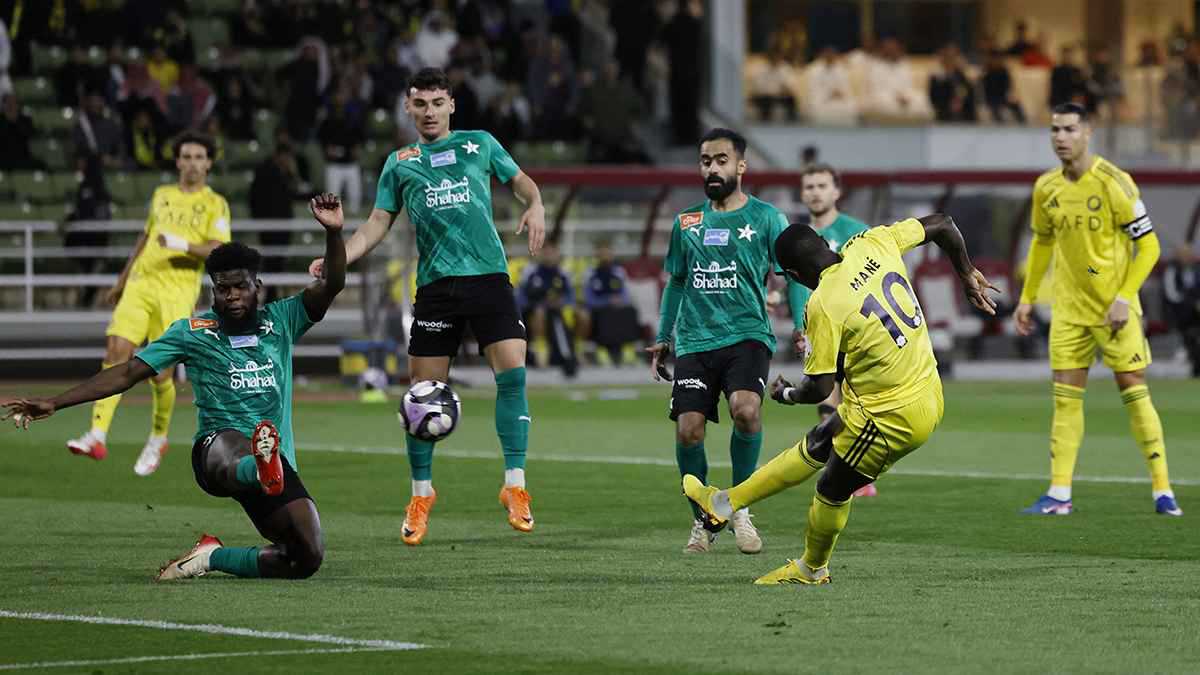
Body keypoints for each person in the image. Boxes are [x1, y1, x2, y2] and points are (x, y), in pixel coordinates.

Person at [3, 194, 347, 581]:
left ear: (258, 286)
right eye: (222, 288)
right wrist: (56, 402)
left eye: (239, 287)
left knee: (305, 557)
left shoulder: (283, 319)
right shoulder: (193, 332)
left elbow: (332, 283)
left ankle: (210, 557)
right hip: (217, 451)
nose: (231, 296)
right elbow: (127, 372)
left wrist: (334, 233)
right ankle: (260, 463)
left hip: (277, 464)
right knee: (234, 445)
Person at [682, 215, 998, 584]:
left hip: (892, 416)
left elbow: (818, 388)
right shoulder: (872, 242)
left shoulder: (824, 304)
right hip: (925, 386)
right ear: (822, 241)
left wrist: (785, 393)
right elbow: (944, 224)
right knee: (821, 440)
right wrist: (965, 272)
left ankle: (811, 569)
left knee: (832, 487)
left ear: (795, 276)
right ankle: (723, 504)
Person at [307, 67, 546, 546]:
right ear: (408, 108)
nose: (430, 112)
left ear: (451, 105)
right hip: (437, 287)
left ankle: (515, 487)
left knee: (513, 375)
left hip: (488, 278)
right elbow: (376, 224)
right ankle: (421, 495)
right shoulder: (400, 162)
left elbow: (522, 183)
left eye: (438, 103)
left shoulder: (480, 143)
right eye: (421, 104)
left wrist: (535, 204)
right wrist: (338, 252)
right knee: (421, 394)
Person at [1014, 103, 1181, 517]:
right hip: (1069, 311)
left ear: (1089, 133)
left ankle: (1163, 491)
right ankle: (1059, 493)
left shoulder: (1115, 183)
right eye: (1055, 130)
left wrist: (1124, 296)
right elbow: (1042, 244)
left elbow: (1150, 246)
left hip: (1114, 310)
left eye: (1070, 129)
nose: (1061, 137)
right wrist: (1028, 296)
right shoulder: (1046, 188)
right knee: (1066, 399)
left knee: (1133, 390)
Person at [648, 127, 809, 555]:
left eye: (721, 160)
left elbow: (791, 275)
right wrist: (664, 336)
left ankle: (739, 508)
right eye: (705, 161)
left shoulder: (767, 219)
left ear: (741, 165)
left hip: (748, 335)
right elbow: (677, 282)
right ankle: (703, 521)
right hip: (696, 341)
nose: (712, 168)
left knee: (746, 411)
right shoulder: (687, 223)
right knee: (688, 431)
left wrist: (801, 324)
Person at [65, 132, 232, 477]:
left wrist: (181, 242)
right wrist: (122, 279)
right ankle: (97, 434)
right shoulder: (162, 195)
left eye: (199, 157)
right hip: (141, 285)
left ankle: (158, 437)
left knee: (159, 372)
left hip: (176, 291)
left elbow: (217, 248)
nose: (192, 163)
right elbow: (144, 237)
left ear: (209, 163)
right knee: (116, 351)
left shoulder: (216, 204)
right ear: (177, 161)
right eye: (186, 156)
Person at [518, 242, 579, 374]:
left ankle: (575, 351)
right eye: (545, 253)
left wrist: (561, 302)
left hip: (558, 311)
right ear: (539, 254)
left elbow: (571, 298)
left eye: (552, 253)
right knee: (540, 313)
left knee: (576, 313)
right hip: (533, 312)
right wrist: (539, 304)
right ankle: (541, 350)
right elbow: (521, 298)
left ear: (557, 254)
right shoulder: (530, 272)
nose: (548, 256)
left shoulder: (563, 273)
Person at [582, 240, 640, 366]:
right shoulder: (590, 273)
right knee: (604, 313)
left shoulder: (619, 272)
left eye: (607, 252)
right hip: (599, 308)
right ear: (596, 254)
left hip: (617, 307)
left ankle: (627, 349)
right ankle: (602, 350)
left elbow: (626, 295)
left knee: (630, 310)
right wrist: (606, 301)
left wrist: (619, 301)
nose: (605, 256)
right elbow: (588, 298)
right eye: (601, 253)